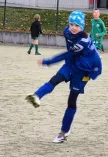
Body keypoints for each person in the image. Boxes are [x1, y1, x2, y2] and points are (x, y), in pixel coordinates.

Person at [25, 11, 102, 143]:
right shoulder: (67, 31)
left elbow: (67, 54)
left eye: (77, 25)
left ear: (82, 27)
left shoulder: (83, 40)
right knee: (56, 79)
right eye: (71, 24)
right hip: (71, 64)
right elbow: (70, 56)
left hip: (84, 70)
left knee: (71, 101)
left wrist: (48, 61)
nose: (73, 27)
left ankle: (64, 132)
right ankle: (37, 96)